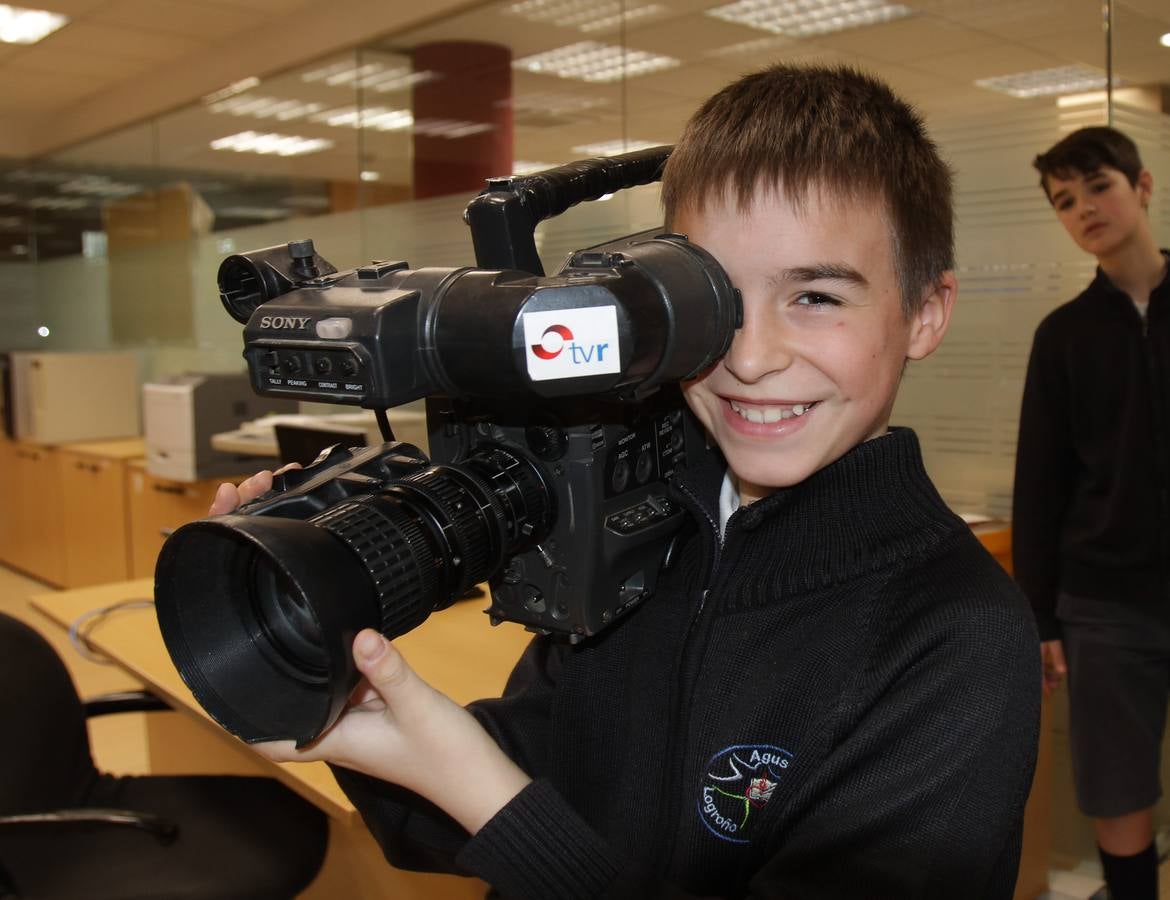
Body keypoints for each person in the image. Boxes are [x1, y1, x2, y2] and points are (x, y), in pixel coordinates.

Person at [212, 64, 1040, 898]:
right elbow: (520, 795)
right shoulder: (648, 525)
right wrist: (346, 694)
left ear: (925, 313)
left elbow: (504, 811)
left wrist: (485, 795)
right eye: (716, 302)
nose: (752, 358)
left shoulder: (958, 638)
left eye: (817, 296)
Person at [1013, 125, 1169, 900]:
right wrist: (1040, 616)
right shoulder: (1064, 336)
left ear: (1141, 186)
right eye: (1065, 201)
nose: (1085, 210)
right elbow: (1040, 485)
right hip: (1106, 603)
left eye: (1098, 187)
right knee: (1117, 786)